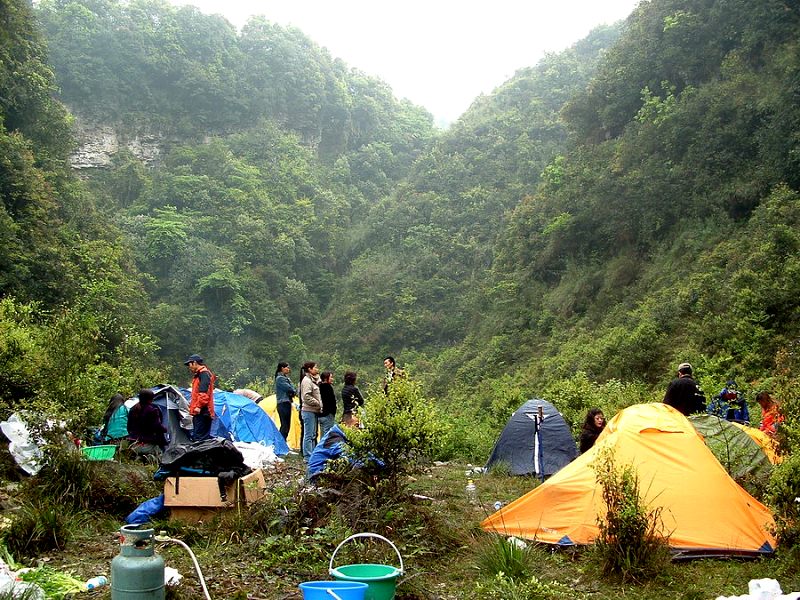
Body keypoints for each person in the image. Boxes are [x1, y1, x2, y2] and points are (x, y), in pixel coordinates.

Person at [127, 388, 167, 458]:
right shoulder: (153, 410)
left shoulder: (133, 409)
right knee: (161, 450)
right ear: (150, 399)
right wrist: (165, 430)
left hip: (133, 444)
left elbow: (128, 427)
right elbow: (157, 426)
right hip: (147, 444)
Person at [184, 353, 216, 441]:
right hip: (200, 411)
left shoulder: (204, 374)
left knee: (200, 437)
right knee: (199, 435)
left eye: (189, 364)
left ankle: (202, 454)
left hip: (203, 411)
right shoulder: (199, 375)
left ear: (194, 363)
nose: (189, 367)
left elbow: (203, 393)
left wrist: (198, 406)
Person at [299, 361, 322, 460]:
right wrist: (318, 403)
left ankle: (312, 454)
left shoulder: (313, 380)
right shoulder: (307, 381)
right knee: (308, 434)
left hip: (314, 411)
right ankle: (307, 456)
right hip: (308, 410)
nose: (317, 369)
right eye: (315, 367)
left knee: (313, 434)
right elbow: (306, 396)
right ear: (310, 369)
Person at [274, 361, 297, 441]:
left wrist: (293, 390)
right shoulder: (280, 378)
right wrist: (293, 391)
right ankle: (281, 443)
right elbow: (289, 388)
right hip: (283, 403)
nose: (288, 369)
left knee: (287, 425)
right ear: (282, 368)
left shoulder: (285, 378)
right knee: (285, 425)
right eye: (287, 367)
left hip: (286, 402)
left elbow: (292, 388)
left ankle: (282, 443)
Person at [318, 371, 337, 439]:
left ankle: (321, 448)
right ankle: (326, 449)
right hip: (328, 414)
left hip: (320, 414)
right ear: (326, 379)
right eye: (331, 377)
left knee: (322, 434)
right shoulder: (328, 387)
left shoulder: (319, 387)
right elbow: (332, 401)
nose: (332, 379)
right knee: (328, 434)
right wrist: (333, 412)